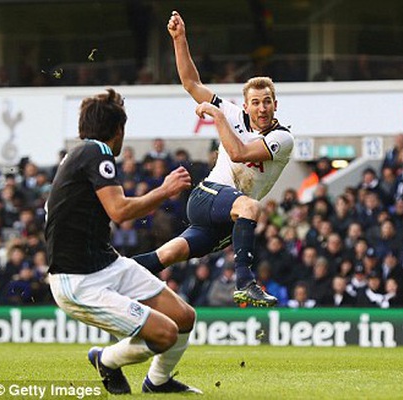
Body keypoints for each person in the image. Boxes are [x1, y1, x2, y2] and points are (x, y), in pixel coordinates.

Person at [133, 11, 294, 307]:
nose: (261, 108)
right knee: (249, 205)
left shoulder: (282, 138)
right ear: (246, 105)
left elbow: (239, 153)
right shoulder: (233, 114)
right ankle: (246, 283)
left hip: (229, 218)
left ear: (275, 104)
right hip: (208, 196)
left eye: (267, 102)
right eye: (255, 102)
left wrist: (216, 116)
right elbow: (191, 83)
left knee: (166, 256)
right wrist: (179, 39)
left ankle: (114, 275)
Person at [45, 89, 199, 394]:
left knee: (183, 316)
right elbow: (120, 211)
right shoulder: (96, 152)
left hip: (106, 263)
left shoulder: (78, 155)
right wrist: (164, 191)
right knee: (165, 334)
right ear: (118, 130)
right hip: (78, 281)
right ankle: (105, 359)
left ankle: (158, 382)